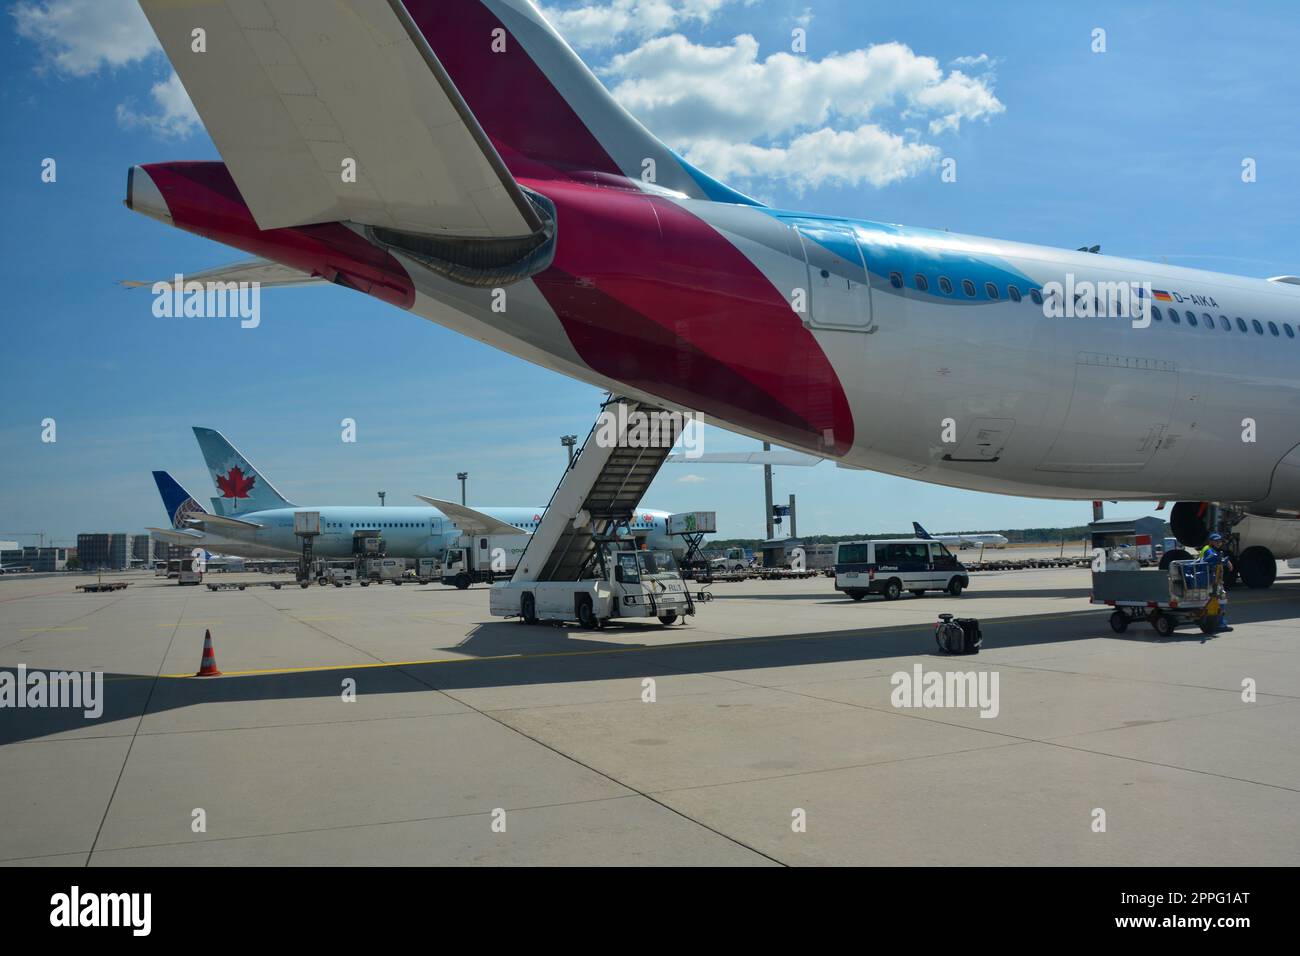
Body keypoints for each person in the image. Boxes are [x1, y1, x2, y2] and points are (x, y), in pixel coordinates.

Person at [1197, 533, 1233, 631]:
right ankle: (1220, 625)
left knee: (1217, 601)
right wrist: (1225, 561)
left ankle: (1215, 623)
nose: (1219, 543)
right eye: (1216, 541)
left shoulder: (1210, 549)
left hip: (1212, 578)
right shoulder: (1209, 550)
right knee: (1220, 601)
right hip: (1212, 580)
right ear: (1211, 542)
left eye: (1220, 541)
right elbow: (1212, 559)